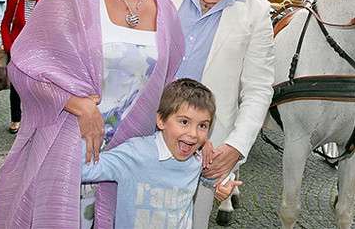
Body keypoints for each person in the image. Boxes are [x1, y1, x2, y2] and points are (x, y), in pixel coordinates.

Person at [0, 0, 184, 228]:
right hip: (65, 148)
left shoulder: (167, 12)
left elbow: (166, 89)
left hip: (125, 158)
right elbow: (24, 63)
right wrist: (77, 103)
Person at [149, 0, 275, 228]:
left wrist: (236, 146)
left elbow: (259, 89)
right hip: (140, 131)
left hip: (204, 152)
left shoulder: (257, 13)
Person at [82, 78, 241, 228]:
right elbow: (85, 171)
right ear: (161, 120)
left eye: (202, 126)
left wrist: (223, 185)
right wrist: (78, 118)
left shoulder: (197, 158)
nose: (193, 133)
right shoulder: (135, 153)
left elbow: (215, 175)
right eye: (184, 122)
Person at [0, 0, 43, 132]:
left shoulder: (45, 3)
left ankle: (32, 119)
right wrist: (9, 46)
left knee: (34, 87)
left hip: (35, 52)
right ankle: (16, 119)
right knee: (16, 86)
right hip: (16, 50)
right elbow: (5, 24)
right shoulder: (14, 0)